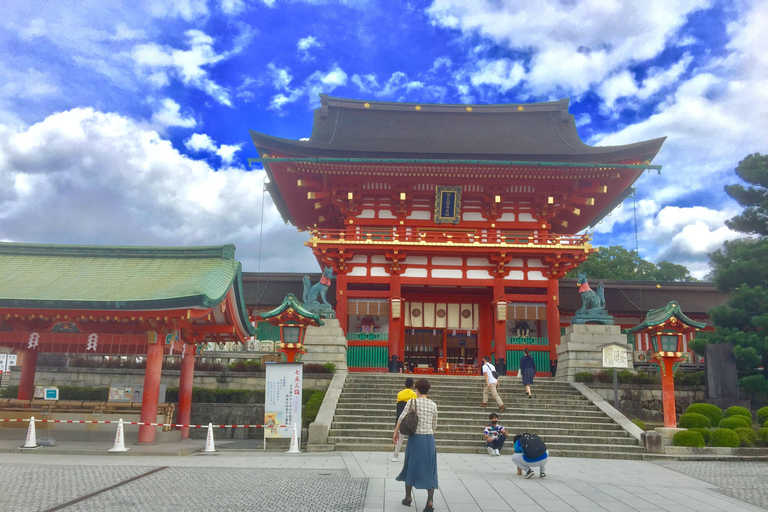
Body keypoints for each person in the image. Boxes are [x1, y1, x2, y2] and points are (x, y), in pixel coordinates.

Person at [393, 378, 438, 512]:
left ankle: (408, 497)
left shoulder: (412, 402)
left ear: (416, 389)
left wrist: (395, 432)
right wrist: (429, 433)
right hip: (429, 440)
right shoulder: (433, 404)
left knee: (411, 465)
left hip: (415, 439)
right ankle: (430, 501)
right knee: (430, 469)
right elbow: (435, 424)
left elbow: (401, 418)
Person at [392, 377, 417, 461]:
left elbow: (398, 408)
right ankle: (412, 456)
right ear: (413, 385)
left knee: (400, 438)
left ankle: (395, 455)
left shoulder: (399, 394)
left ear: (405, 384)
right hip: (411, 419)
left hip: (401, 418)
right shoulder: (414, 395)